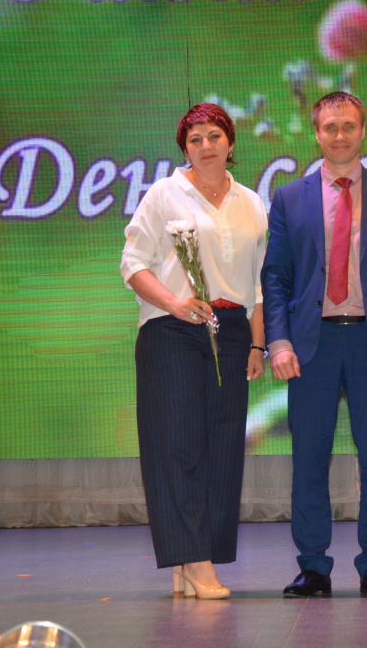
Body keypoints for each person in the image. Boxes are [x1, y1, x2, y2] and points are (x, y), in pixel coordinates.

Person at [261, 92, 367, 597]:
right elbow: (276, 278)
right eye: (330, 127)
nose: (340, 135)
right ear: (316, 133)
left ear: (363, 130)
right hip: (312, 345)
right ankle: (313, 566)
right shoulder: (289, 197)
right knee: (309, 459)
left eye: (348, 125)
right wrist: (278, 343)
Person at [120, 103, 268, 600]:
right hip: (173, 328)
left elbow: (256, 285)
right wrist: (173, 302)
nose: (206, 146)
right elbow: (132, 263)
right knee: (177, 446)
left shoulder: (251, 202)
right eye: (195, 139)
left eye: (214, 136)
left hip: (232, 329)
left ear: (231, 142)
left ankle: (194, 560)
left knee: (223, 449)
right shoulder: (164, 194)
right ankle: (194, 560)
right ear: (185, 148)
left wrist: (257, 342)